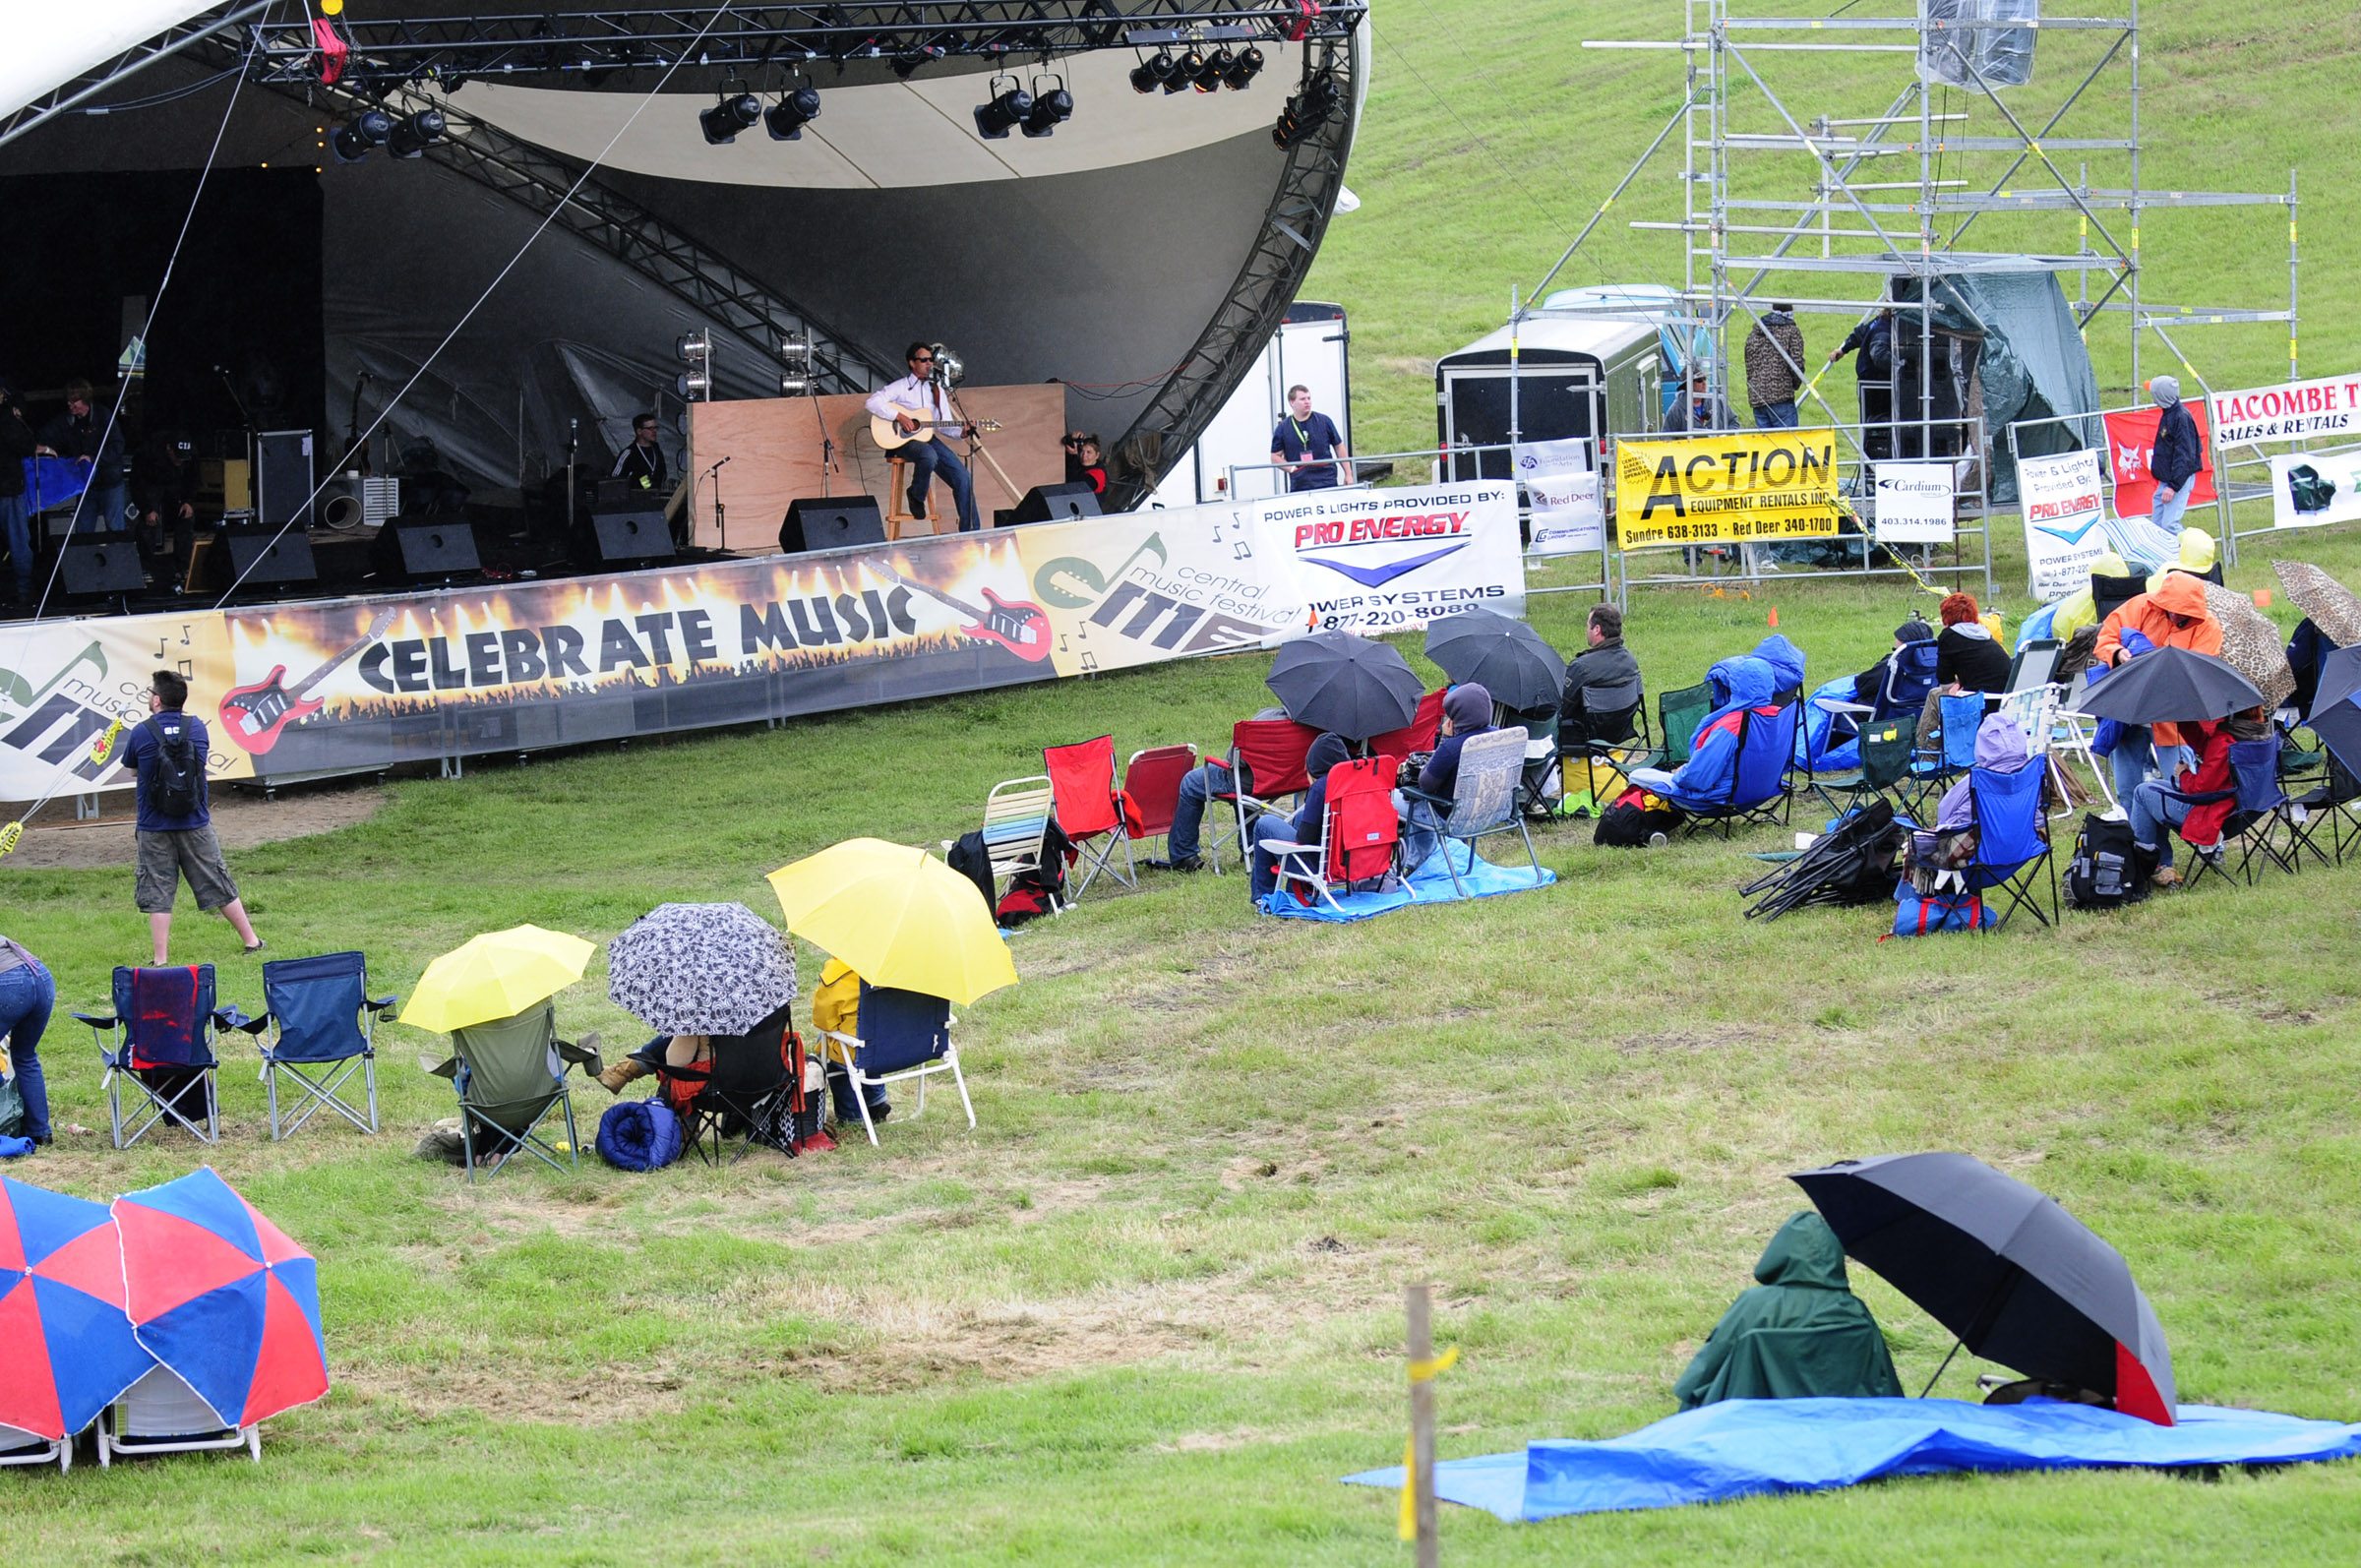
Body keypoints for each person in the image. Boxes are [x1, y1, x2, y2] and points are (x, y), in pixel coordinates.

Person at [1671, 1211, 1904, 1410]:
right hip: (1841, 1434)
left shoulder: (1754, 1305)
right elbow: (1886, 1385)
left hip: (1753, 1432)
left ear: (1778, 1253)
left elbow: (1703, 1376)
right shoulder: (1854, 1309)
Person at [123, 669, 264, 964]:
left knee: (158, 887)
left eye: (151, 693)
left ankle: (161, 959)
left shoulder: (141, 732)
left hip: (153, 825)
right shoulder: (197, 728)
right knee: (217, 878)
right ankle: (251, 940)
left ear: (157, 700)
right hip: (195, 821)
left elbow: (134, 770)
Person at [2093, 570, 2221, 814]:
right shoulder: (2141, 606)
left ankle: (2209, 844)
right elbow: (2105, 638)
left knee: (2184, 788)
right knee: (2127, 789)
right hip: (2129, 712)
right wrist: (2117, 653)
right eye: (2171, 610)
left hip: (2174, 718)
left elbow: (2199, 670)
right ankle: (2143, 845)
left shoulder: (2207, 625)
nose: (2176, 617)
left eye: (2183, 615)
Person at [2127, 707, 2267, 888]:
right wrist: (2184, 721)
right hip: (2244, 808)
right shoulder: (2255, 733)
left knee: (2141, 793)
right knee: (2149, 789)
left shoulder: (2224, 740)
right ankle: (2154, 863)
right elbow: (2207, 749)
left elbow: (2201, 787)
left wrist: (2183, 774)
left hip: (2213, 814)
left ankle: (2142, 865)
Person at [1148, 704, 1293, 873]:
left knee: (1191, 782)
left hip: (1250, 783)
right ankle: (1253, 847)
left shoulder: (1265, 719)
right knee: (1244, 795)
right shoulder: (1312, 727)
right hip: (1286, 783)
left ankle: (1184, 856)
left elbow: (1233, 760)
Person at [866, 342, 981, 532]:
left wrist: (962, 431)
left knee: (963, 478)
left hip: (927, 439)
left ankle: (971, 534)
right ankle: (916, 495)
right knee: (928, 456)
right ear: (912, 363)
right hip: (902, 441)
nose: (929, 364)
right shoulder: (901, 387)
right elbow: (872, 402)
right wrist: (899, 417)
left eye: (931, 360)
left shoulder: (936, 390)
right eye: (924, 360)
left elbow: (944, 424)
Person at [1907, 710, 2031, 881]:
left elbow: (1946, 816)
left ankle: (1916, 905)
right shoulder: (2032, 774)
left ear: (1982, 745)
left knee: (1915, 844)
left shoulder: (1977, 780)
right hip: (2023, 849)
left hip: (1976, 861)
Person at [1247, 732, 1354, 900]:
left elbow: (1304, 837)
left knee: (1264, 824)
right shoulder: (1355, 782)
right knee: (1302, 815)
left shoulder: (1321, 787)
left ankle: (1262, 896)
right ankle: (1294, 890)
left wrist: (1312, 792)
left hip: (1320, 866)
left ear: (1314, 766)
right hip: (1351, 861)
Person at [1400, 685, 1495, 867]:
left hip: (1449, 815)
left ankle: (1414, 863)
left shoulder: (1452, 747)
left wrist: (1445, 739)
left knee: (1404, 800)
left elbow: (1426, 783)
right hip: (1485, 809)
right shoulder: (1498, 736)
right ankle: (1446, 855)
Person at [36, 378, 129, 539]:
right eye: (68, 401)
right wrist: (43, 448)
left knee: (115, 528)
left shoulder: (103, 416)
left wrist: (93, 458)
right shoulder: (66, 420)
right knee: (83, 529)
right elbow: (46, 435)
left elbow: (118, 446)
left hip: (110, 482)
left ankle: (119, 562)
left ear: (85, 400)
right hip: (86, 484)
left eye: (74, 402)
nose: (70, 405)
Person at [809, 956, 892, 1127]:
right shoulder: (902, 966)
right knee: (868, 1041)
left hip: (863, 1050)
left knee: (835, 1050)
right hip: (904, 1046)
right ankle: (876, 1102)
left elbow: (824, 1023)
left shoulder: (837, 972)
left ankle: (851, 1115)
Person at [1558, 603, 1643, 747]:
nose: (1586, 630)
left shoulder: (1582, 667)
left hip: (1583, 741)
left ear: (1597, 629)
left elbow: (1563, 708)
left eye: (1588, 625)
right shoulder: (1630, 662)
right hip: (1619, 735)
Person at [0, 934, 55, 1148]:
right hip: (40, 976)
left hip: (8, 981)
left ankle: (6, 1116)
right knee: (25, 1056)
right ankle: (40, 1133)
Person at [2147, 375, 2205, 534]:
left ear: (2161, 396)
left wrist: (2173, 486)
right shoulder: (2170, 414)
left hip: (2177, 480)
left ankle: (2195, 550)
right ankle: (2166, 557)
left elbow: (2185, 456)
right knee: (2158, 527)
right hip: (2167, 480)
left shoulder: (2180, 418)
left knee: (2170, 525)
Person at [1268, 385, 1352, 493]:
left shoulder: (1324, 421)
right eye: (1302, 399)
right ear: (1292, 402)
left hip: (1326, 480)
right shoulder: (1283, 428)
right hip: (1300, 483)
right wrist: (1292, 469)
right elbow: (1275, 457)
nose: (1307, 402)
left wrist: (1348, 474)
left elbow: (1339, 447)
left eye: (1309, 398)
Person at [0, 376, 37, 605]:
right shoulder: (5, 418)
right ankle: (25, 593)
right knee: (18, 541)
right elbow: (24, 444)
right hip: (9, 489)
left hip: (8, 486)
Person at [1848, 618, 1936, 711]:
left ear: (1904, 643)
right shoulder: (1934, 665)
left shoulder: (1895, 665)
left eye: (1895, 649)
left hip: (1879, 717)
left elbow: (1862, 685)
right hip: (1917, 716)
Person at [1743, 304, 1807, 429]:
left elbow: (1748, 363)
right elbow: (1796, 364)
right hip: (1781, 396)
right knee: (1788, 443)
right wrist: (1795, 384)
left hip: (1757, 396)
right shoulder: (1791, 331)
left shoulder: (1755, 332)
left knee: (1766, 445)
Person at [610, 411, 670, 496]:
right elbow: (614, 480)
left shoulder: (657, 450)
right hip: (635, 502)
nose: (654, 431)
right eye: (650, 428)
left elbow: (663, 474)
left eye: (655, 428)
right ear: (639, 431)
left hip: (656, 499)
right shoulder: (629, 453)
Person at [1828, 307, 1894, 380]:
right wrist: (1843, 349)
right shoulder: (1883, 327)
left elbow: (1861, 333)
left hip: (1867, 376)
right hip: (1875, 381)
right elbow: (1881, 358)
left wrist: (1843, 350)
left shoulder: (1881, 320)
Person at [1661, 369, 1734, 434]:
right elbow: (1666, 437)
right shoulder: (1676, 410)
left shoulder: (1717, 401)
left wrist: (1726, 437)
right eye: (1699, 380)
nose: (1704, 383)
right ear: (1688, 385)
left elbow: (1734, 422)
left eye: (1705, 379)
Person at [1061, 431, 1109, 499]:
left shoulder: (1097, 475)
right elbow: (1065, 442)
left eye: (1089, 452)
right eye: (1082, 451)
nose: (1084, 455)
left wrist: (1073, 457)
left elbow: (1071, 486)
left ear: (1097, 455)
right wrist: (1072, 437)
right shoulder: (1084, 461)